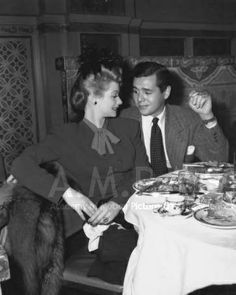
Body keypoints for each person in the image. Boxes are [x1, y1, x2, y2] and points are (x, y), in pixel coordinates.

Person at [11, 50, 151, 237]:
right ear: (94, 97)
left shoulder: (129, 128)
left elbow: (144, 173)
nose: (120, 101)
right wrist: (67, 193)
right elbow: (20, 164)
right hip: (88, 229)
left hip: (132, 215)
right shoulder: (66, 135)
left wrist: (118, 202)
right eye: (114, 95)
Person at [121, 61, 229, 175]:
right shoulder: (123, 119)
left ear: (166, 92)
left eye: (147, 92)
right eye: (135, 91)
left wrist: (207, 116)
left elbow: (220, 160)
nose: (139, 99)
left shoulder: (187, 119)